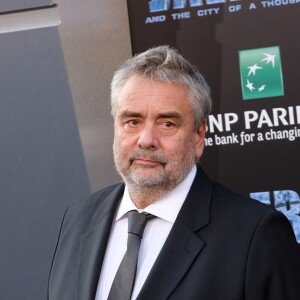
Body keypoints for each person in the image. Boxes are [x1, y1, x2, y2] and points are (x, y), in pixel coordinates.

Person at [48, 46, 300, 300]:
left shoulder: (253, 235)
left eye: (167, 123)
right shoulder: (78, 218)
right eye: (132, 121)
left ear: (198, 136)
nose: (146, 140)